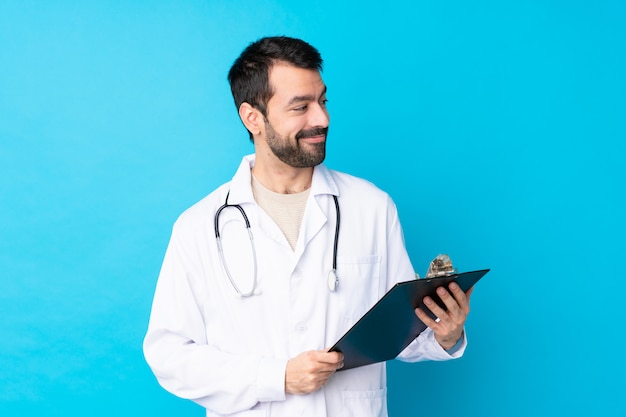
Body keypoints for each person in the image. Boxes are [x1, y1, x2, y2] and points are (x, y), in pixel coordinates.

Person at [143, 36, 472, 417]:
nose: (322, 119)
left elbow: (398, 332)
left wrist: (444, 334)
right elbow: (169, 356)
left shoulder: (371, 207)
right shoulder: (199, 227)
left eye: (322, 101)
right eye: (301, 106)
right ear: (253, 118)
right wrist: (277, 377)